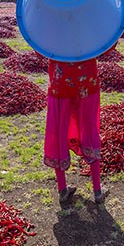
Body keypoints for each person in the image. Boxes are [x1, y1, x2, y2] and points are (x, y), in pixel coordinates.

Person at [43, 41, 118, 205]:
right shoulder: (87, 19)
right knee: (89, 131)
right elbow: (108, 44)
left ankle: (63, 190)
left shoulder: (51, 21)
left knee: (59, 132)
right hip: (86, 84)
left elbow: (39, 47)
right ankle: (97, 191)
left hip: (59, 84)